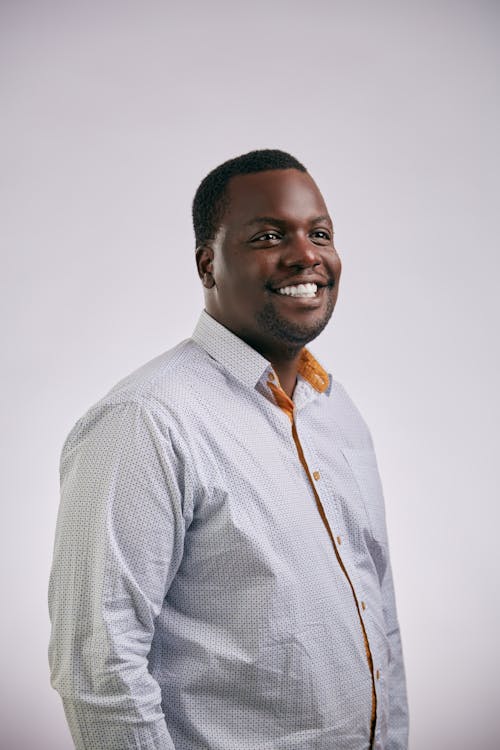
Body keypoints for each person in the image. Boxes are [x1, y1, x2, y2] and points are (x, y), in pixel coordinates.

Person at [48, 149, 409, 750]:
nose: (306, 255)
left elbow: (381, 615)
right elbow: (96, 665)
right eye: (269, 235)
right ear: (207, 265)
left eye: (319, 233)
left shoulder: (336, 409)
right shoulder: (146, 421)